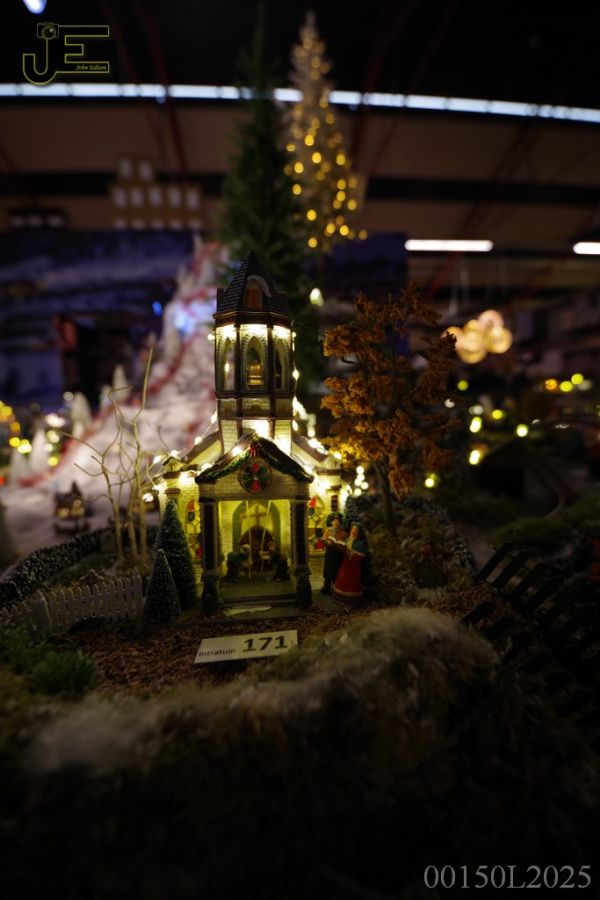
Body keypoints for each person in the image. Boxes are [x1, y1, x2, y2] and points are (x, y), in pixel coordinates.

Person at [332, 523, 369, 606]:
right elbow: (344, 549)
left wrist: (351, 551)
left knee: (351, 583)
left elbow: (361, 555)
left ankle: (351, 602)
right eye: (352, 529)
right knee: (342, 580)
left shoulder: (361, 542)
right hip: (345, 564)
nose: (353, 531)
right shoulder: (348, 539)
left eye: (355, 530)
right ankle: (340, 599)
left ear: (359, 532)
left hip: (353, 566)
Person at [320, 514, 347, 595]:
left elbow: (344, 542)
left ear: (340, 523)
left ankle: (335, 587)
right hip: (329, 552)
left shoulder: (343, 532)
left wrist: (339, 544)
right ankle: (326, 587)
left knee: (336, 570)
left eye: (338, 521)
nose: (336, 523)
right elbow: (324, 539)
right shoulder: (328, 530)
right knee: (328, 569)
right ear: (332, 522)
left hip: (338, 553)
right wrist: (326, 542)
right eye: (334, 521)